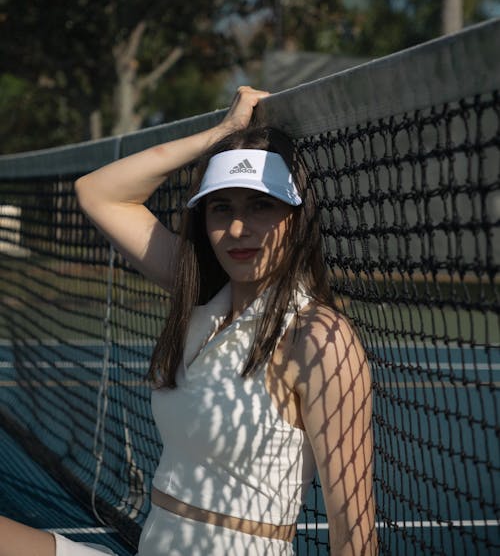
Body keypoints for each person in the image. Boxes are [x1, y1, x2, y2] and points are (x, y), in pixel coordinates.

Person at [0, 87, 377, 556]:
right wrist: (221, 135)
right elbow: (98, 193)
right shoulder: (200, 297)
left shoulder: (318, 336)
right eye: (223, 207)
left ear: (296, 217)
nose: (239, 229)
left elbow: (355, 534)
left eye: (261, 205)